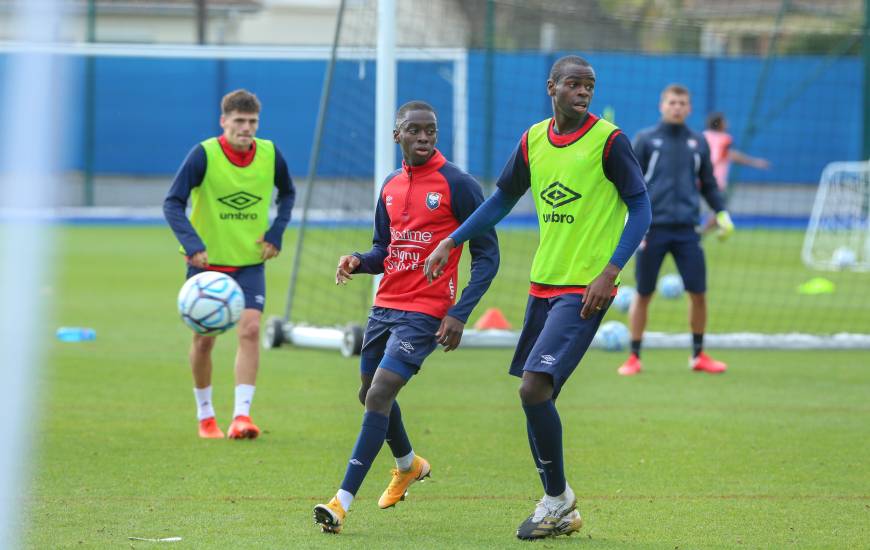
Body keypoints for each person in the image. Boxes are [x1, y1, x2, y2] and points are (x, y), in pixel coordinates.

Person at [425, 55, 651, 540]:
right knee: (536, 396)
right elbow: (501, 200)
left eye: (589, 85)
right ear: (552, 87)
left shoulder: (609, 141)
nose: (583, 92)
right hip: (542, 285)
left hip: (584, 290)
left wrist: (610, 272)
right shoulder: (532, 140)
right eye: (573, 84)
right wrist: (453, 240)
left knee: (532, 389)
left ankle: (556, 500)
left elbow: (640, 207)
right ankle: (560, 504)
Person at [313, 101, 499, 534]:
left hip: (427, 311)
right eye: (414, 131)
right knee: (368, 393)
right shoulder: (391, 185)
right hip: (385, 306)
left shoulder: (459, 184)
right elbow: (385, 248)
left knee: (379, 394)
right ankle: (408, 463)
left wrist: (459, 313)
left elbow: (488, 257)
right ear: (397, 134)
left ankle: (340, 503)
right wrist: (359, 261)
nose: (424, 138)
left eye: (430, 131)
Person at [164, 89, 295, 439]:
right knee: (205, 341)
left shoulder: (270, 154)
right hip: (207, 267)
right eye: (239, 121)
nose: (246, 128)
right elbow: (172, 203)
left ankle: (242, 417)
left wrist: (276, 233)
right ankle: (206, 416)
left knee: (251, 330)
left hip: (250, 263)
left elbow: (288, 193)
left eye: (252, 122)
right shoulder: (203, 154)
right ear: (224, 122)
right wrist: (193, 245)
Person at [617, 84, 734, 377]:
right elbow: (629, 182)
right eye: (672, 102)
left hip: (687, 232)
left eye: (682, 103)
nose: (677, 107)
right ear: (662, 105)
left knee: (699, 294)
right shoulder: (645, 139)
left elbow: (708, 184)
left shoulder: (698, 142)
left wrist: (721, 212)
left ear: (689, 108)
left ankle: (698, 355)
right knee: (643, 294)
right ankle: (634, 357)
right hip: (650, 230)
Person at [701, 112, 770, 233]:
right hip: (715, 181)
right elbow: (731, 155)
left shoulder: (702, 136)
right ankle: (700, 234)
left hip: (697, 178)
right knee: (721, 212)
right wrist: (755, 162)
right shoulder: (725, 139)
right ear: (720, 124)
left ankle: (697, 233)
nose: (728, 124)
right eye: (725, 121)